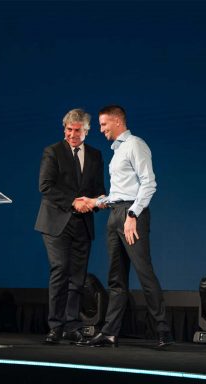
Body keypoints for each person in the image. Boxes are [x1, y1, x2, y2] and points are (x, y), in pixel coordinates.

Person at [78, 105, 174, 349]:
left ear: (117, 122)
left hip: (132, 215)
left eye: (104, 124)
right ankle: (110, 333)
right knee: (116, 279)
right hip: (115, 215)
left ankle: (163, 331)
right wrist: (95, 202)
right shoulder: (118, 150)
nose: (101, 130)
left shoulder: (135, 145)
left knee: (144, 273)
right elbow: (118, 193)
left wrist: (133, 214)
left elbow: (149, 184)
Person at [35, 108, 106, 344]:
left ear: (86, 131)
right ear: (64, 129)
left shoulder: (95, 155)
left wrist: (95, 202)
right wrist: (74, 202)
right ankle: (55, 326)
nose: (72, 134)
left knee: (78, 277)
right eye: (69, 129)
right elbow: (46, 187)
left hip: (83, 224)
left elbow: (99, 188)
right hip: (56, 222)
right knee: (60, 269)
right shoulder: (52, 152)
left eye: (77, 130)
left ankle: (72, 325)